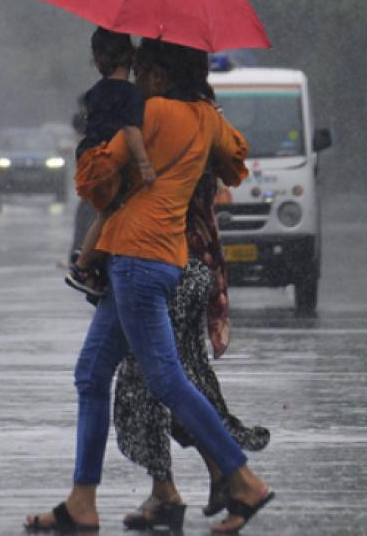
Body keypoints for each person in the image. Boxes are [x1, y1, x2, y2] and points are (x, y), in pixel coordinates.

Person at [24, 39, 274, 535]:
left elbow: (93, 178)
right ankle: (81, 501)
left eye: (142, 70)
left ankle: (242, 477)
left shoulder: (151, 111)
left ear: (159, 75)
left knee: (166, 379)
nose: (136, 78)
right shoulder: (206, 118)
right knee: (92, 375)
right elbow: (237, 162)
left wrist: (98, 136)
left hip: (136, 258)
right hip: (161, 257)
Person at [115, 167, 270, 530]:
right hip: (196, 264)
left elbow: (113, 191)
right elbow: (234, 161)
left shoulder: (161, 136)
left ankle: (230, 477)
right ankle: (192, 483)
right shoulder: (202, 127)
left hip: (170, 267)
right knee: (176, 381)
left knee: (153, 383)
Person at [65, 27, 155, 298]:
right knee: (113, 213)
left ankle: (91, 262)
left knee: (105, 213)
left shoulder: (94, 93)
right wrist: (144, 164)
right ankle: (83, 266)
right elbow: (130, 129)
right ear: (131, 57)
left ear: (97, 60)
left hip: (88, 160)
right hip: (107, 163)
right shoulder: (131, 95)